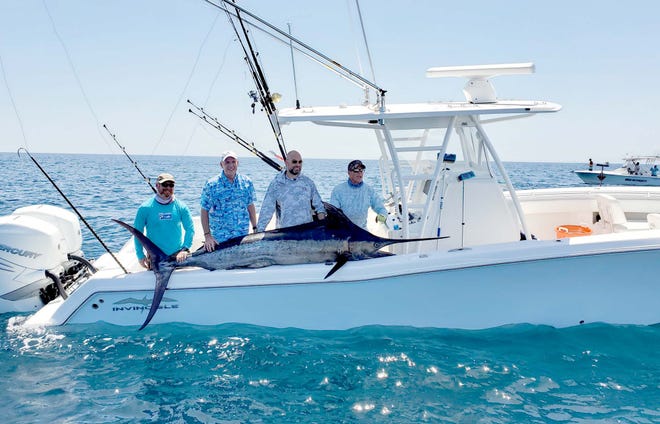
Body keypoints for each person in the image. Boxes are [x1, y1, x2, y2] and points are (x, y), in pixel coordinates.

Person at [133, 173, 194, 268]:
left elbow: (190, 229)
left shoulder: (182, 207)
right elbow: (137, 233)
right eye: (165, 184)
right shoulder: (144, 208)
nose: (168, 187)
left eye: (171, 185)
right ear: (157, 185)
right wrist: (140, 255)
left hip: (177, 256)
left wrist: (184, 249)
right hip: (155, 256)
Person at [200, 151, 257, 252]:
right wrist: (207, 236)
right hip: (220, 239)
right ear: (221, 164)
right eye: (227, 162)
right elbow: (204, 210)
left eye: (233, 162)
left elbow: (250, 205)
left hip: (242, 237)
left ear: (237, 163)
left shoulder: (247, 182)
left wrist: (255, 228)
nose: (231, 165)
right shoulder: (211, 184)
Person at [256, 150, 326, 231]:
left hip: (306, 234)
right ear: (286, 162)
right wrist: (259, 232)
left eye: (300, 162)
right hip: (285, 235)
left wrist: (323, 227)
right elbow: (266, 210)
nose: (298, 165)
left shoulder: (308, 183)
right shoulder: (276, 184)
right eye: (294, 162)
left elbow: (319, 207)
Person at [329, 159, 387, 229]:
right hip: (344, 230)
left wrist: (382, 215)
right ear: (349, 172)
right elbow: (333, 212)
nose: (360, 173)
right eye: (356, 171)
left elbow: (381, 208)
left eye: (361, 170)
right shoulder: (338, 190)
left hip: (362, 230)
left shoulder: (369, 190)